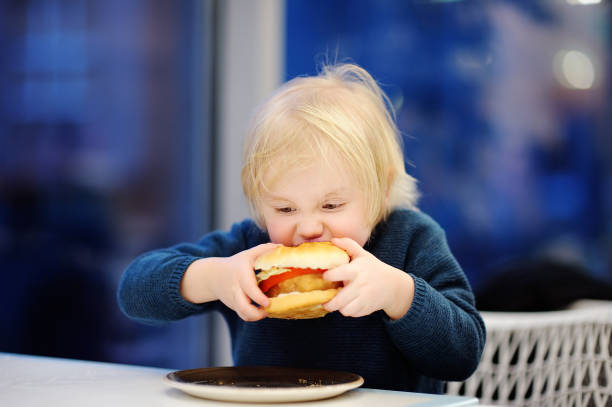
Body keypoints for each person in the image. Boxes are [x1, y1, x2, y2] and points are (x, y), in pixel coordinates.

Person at [117, 63, 485, 393]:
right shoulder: (250, 248)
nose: (308, 227)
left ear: (381, 189)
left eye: (331, 205)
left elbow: (463, 355)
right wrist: (213, 278)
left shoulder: (410, 240)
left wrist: (400, 295)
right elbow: (133, 291)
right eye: (285, 208)